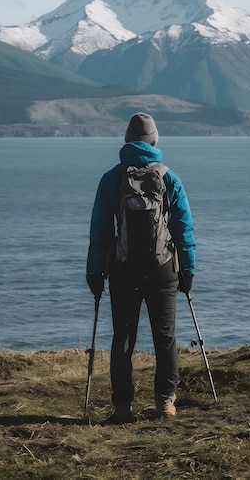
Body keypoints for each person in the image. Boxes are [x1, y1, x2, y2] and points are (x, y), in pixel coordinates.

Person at [86, 112, 195, 424]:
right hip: (163, 269)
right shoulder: (168, 177)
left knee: (122, 338)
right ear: (154, 140)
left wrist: (95, 271)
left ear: (127, 139)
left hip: (123, 269)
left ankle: (122, 407)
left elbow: (100, 230)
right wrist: (188, 269)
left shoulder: (112, 178)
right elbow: (183, 228)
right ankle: (165, 404)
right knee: (166, 338)